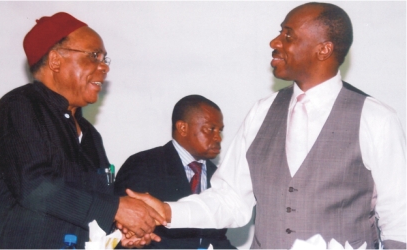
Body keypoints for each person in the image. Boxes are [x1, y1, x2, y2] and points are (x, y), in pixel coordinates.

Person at [127, 2, 406, 249]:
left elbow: (399, 218)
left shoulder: (375, 118)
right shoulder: (261, 112)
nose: (275, 42)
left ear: (324, 49)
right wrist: (166, 211)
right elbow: (231, 200)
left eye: (288, 35)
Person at [0, 12, 165, 249]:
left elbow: (88, 206)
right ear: (55, 61)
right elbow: (35, 188)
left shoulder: (90, 135)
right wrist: (115, 209)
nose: (104, 67)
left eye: (105, 59)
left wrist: (121, 233)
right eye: (94, 56)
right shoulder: (19, 106)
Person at [114, 95, 235, 249]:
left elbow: (217, 239)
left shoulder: (218, 176)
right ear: (183, 128)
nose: (218, 137)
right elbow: (130, 233)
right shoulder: (143, 164)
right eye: (210, 129)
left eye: (220, 130)